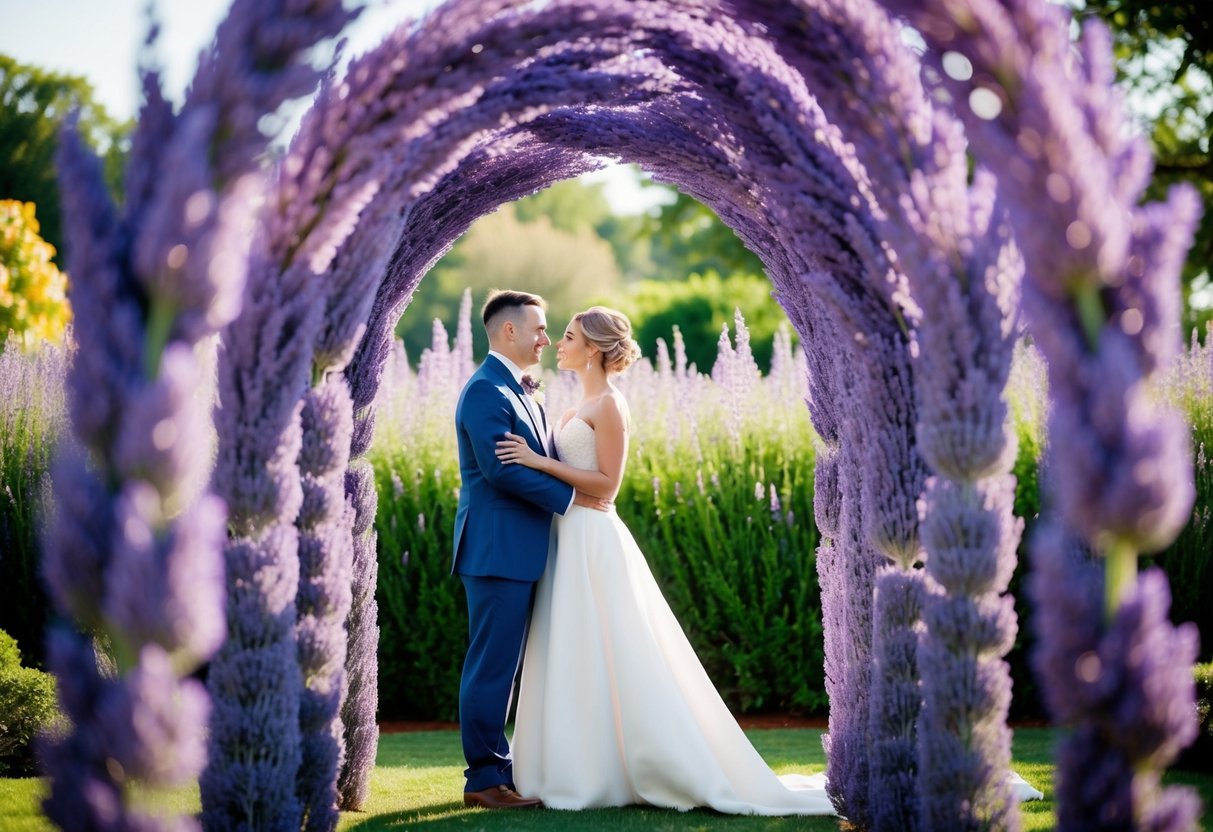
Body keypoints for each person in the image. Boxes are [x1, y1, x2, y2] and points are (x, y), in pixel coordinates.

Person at [494, 305, 836, 815]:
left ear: (592, 348)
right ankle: (569, 765)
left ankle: (632, 768)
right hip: (565, 539)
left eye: (566, 337)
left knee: (612, 650)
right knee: (571, 648)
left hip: (594, 540)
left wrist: (538, 461)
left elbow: (608, 487)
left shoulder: (610, 405)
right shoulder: (573, 407)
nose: (557, 344)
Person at [452, 289, 610, 810]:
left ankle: (506, 769)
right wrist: (575, 499)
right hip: (496, 549)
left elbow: (536, 458)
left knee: (511, 664)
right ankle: (483, 781)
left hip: (523, 548)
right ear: (509, 331)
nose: (547, 337)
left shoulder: (522, 390)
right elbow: (501, 469)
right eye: (540, 329)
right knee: (492, 665)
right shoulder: (485, 392)